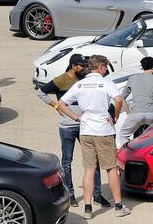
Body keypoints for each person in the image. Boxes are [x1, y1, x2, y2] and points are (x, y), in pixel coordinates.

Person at [58, 55, 131, 219]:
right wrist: (115, 117)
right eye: (105, 67)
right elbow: (118, 99)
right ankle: (118, 206)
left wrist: (76, 118)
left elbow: (62, 103)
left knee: (89, 169)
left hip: (85, 130)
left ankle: (88, 208)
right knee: (111, 168)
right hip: (103, 130)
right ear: (101, 67)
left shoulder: (80, 84)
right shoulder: (106, 83)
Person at [35, 53, 110, 208]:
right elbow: (40, 92)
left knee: (93, 160)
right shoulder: (61, 80)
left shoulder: (84, 79)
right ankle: (70, 193)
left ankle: (97, 194)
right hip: (67, 127)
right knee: (67, 161)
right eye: (82, 66)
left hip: (85, 127)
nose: (85, 68)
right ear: (73, 66)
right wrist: (55, 106)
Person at [118, 57, 153, 147]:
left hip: (135, 114)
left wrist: (128, 113)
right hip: (152, 114)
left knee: (123, 135)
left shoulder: (132, 78)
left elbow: (122, 97)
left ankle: (127, 154)